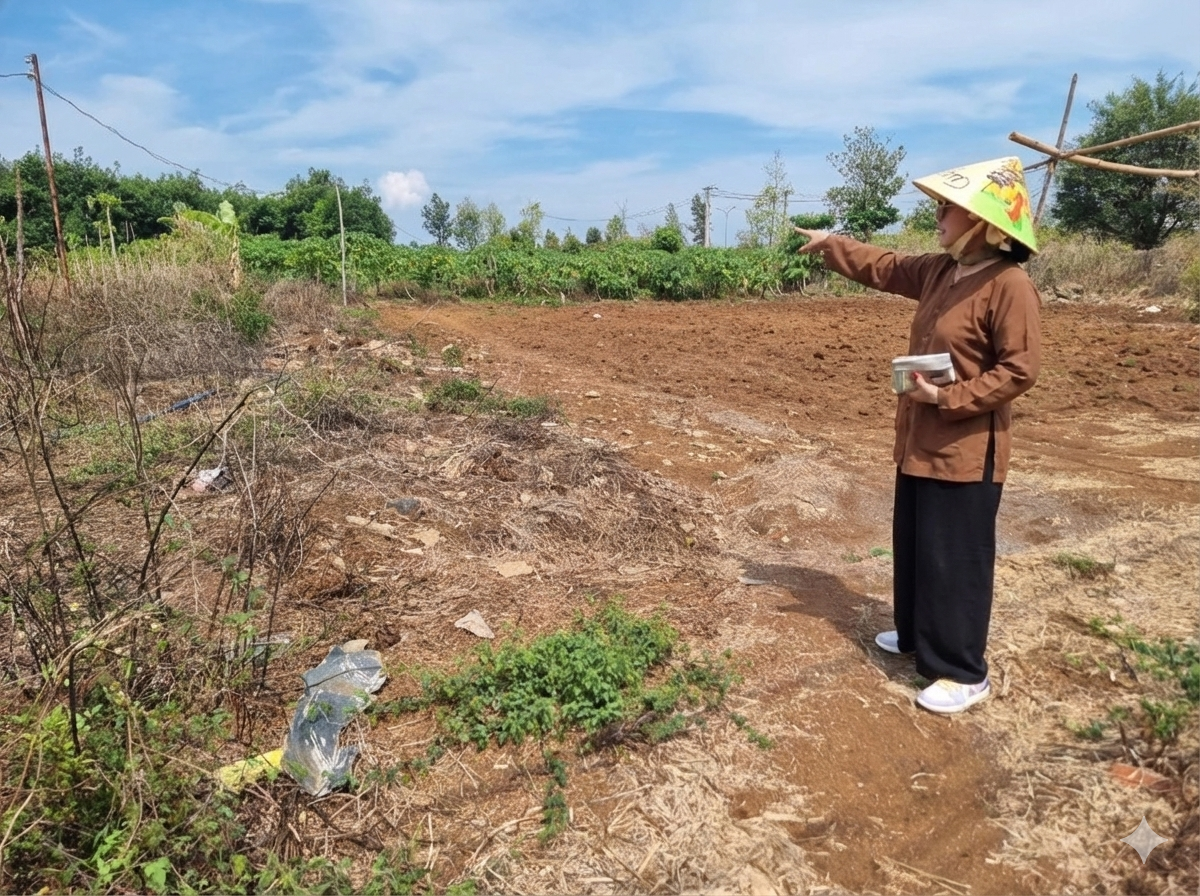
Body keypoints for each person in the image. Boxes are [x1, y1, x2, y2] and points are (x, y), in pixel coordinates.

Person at [794, 157, 1041, 715]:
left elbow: (1019, 370)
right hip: (920, 439)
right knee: (916, 544)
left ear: (983, 222)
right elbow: (886, 266)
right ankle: (916, 638)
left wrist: (947, 399)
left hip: (965, 447)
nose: (939, 215)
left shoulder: (1010, 284)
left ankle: (962, 670)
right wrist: (832, 243)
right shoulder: (939, 271)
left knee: (955, 557)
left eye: (948, 207)